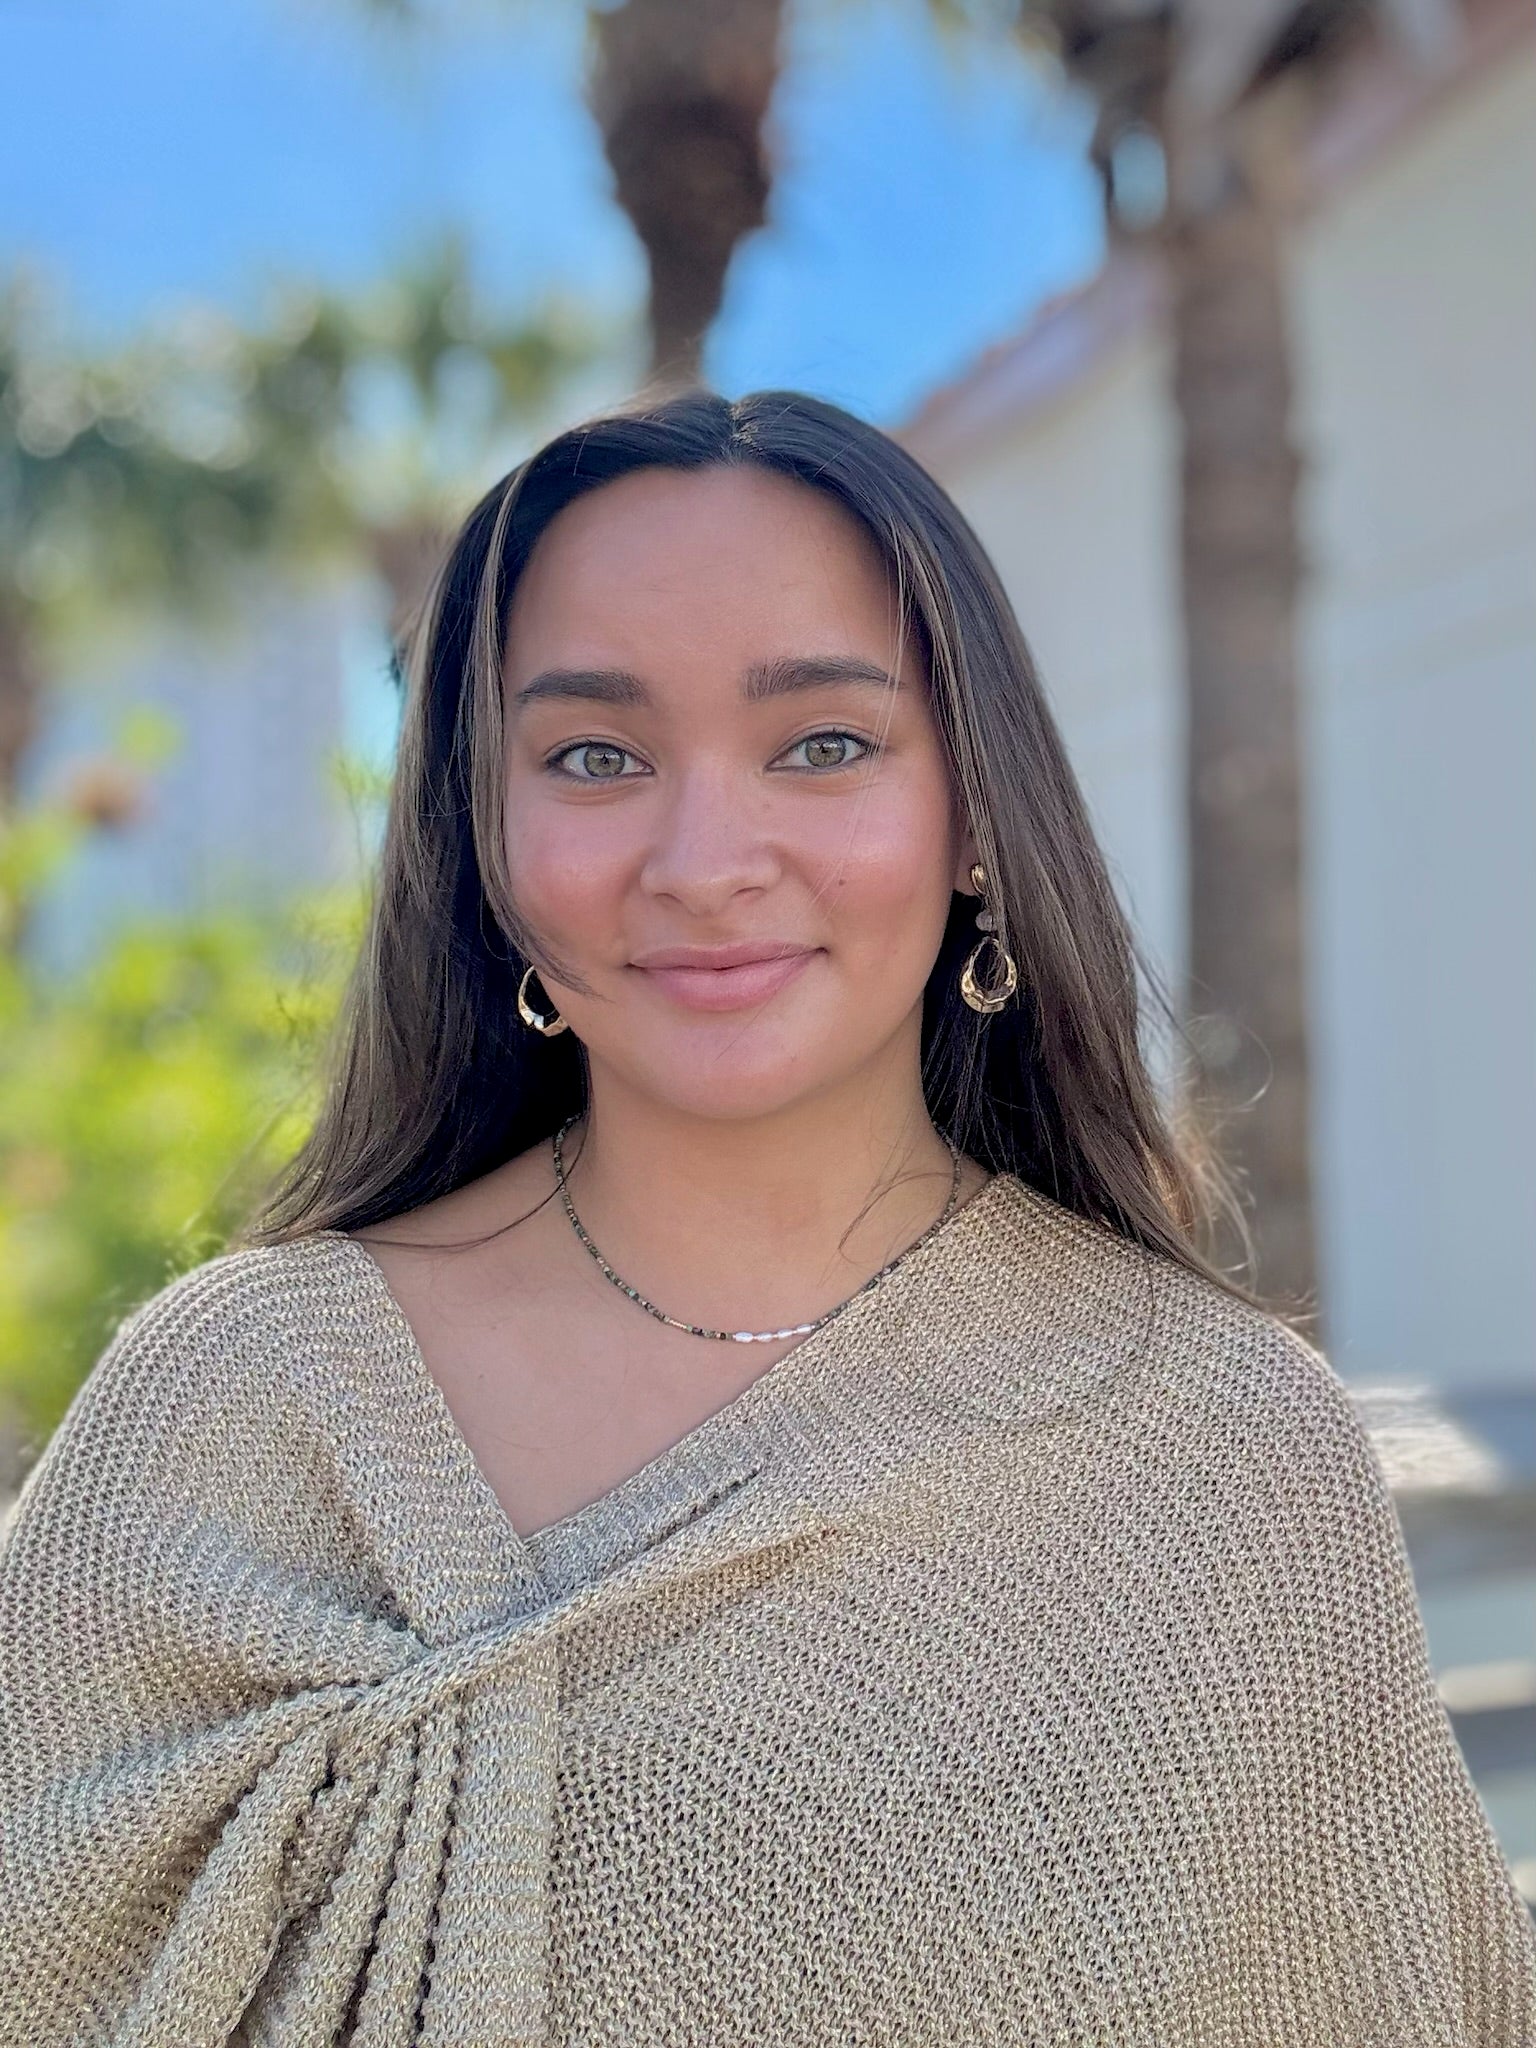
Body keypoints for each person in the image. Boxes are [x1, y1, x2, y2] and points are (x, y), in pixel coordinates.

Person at [1, 387, 1532, 2048]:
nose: (706, 857)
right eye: (594, 755)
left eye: (824, 743)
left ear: (974, 815)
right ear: (484, 839)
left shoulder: (1220, 1457)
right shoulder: (229, 1406)